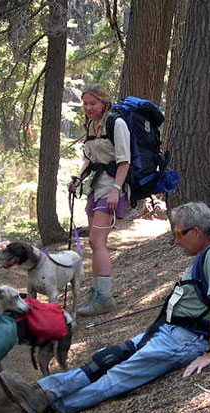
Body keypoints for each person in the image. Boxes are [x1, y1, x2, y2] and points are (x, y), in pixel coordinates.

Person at [0, 202, 210, 413]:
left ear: (195, 232)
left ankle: (52, 408)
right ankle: (44, 390)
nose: (176, 240)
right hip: (171, 331)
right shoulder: (204, 256)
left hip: (187, 339)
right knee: (107, 358)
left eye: (179, 233)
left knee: (120, 374)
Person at [69, 84, 131, 317]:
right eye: (85, 104)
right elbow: (90, 159)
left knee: (97, 241)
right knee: (94, 243)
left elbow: (125, 161)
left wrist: (116, 190)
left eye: (93, 103)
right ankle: (98, 292)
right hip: (95, 185)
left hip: (111, 187)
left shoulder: (117, 123)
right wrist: (79, 178)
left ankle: (105, 298)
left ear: (104, 103)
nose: (88, 108)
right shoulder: (92, 126)